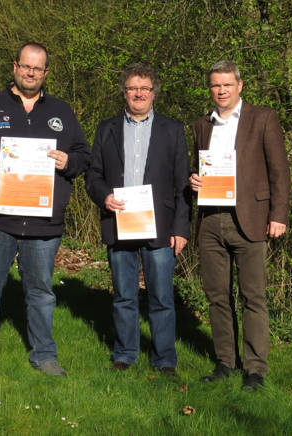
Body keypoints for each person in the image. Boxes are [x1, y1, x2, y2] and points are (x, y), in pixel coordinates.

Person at [0, 42, 90, 379]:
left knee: (42, 292)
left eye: (38, 68)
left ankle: (44, 356)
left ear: (46, 73)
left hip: (42, 223)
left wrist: (69, 161)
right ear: (15, 67)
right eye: (25, 66)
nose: (31, 73)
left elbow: (85, 155)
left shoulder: (62, 111)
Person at [190, 60, 290, 391]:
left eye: (227, 85)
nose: (221, 91)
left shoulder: (262, 118)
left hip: (250, 219)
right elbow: (197, 167)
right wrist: (193, 180)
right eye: (215, 85)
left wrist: (279, 215)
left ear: (240, 86)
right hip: (210, 220)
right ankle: (225, 362)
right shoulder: (201, 125)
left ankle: (255, 369)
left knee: (253, 297)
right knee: (217, 295)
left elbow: (280, 171)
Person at [86, 63, 191, 374]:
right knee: (123, 295)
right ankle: (125, 353)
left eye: (145, 88)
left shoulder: (172, 130)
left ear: (153, 93)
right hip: (119, 222)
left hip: (159, 227)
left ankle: (165, 359)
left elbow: (182, 183)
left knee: (161, 297)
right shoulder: (106, 129)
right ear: (124, 93)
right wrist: (103, 195)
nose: (139, 93)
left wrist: (181, 229)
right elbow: (93, 175)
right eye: (133, 88)